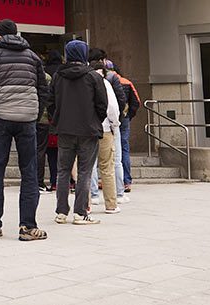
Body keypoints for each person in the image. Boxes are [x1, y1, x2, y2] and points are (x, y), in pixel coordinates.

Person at [0, 19, 48, 241]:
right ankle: (27, 227)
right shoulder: (33, 56)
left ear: (0, 35)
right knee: (29, 172)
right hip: (27, 120)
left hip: (0, 119)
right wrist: (34, 113)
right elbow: (43, 89)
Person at [49, 40, 107, 226]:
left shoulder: (58, 76)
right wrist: (95, 120)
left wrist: (57, 118)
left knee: (63, 171)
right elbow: (102, 105)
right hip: (88, 130)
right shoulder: (93, 77)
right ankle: (81, 213)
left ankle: (61, 212)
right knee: (85, 171)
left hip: (64, 129)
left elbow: (50, 102)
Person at [88, 52, 122, 214]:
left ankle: (86, 204)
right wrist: (115, 125)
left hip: (86, 130)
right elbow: (113, 109)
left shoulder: (83, 82)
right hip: (105, 129)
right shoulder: (105, 84)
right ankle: (111, 204)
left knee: (85, 168)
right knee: (107, 167)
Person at [113, 62, 141, 191]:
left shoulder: (105, 81)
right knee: (124, 147)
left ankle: (111, 180)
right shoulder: (126, 82)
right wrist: (129, 116)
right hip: (124, 118)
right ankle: (126, 180)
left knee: (108, 150)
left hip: (108, 119)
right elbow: (136, 102)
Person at [37, 50, 62, 191]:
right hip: (44, 119)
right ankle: (39, 182)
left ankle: (32, 180)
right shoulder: (46, 77)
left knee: (31, 151)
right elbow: (51, 99)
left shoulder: (29, 76)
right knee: (41, 150)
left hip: (28, 118)